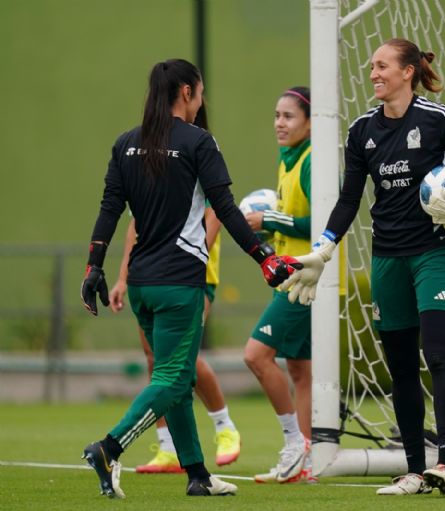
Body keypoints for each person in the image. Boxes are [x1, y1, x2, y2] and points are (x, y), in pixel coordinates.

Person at [280, 39, 445, 496]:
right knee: (400, 368)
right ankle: (415, 472)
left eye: (382, 66)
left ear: (407, 72)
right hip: (387, 258)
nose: (373, 73)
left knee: (438, 355)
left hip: (436, 254)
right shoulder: (362, 131)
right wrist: (323, 249)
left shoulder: (441, 120)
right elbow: (348, 200)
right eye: (372, 67)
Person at [78, 58, 300, 499]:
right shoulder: (199, 142)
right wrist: (264, 257)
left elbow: (109, 210)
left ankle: (198, 474)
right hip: (180, 284)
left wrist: (94, 268)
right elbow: (227, 208)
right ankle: (109, 447)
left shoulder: (125, 143)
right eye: (200, 92)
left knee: (174, 380)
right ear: (186, 93)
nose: (202, 101)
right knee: (175, 379)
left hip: (141, 284)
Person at [109, 207, 241, 473]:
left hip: (192, 277)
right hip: (152, 276)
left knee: (182, 360)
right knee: (155, 358)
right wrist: (123, 277)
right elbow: (136, 224)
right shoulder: (146, 169)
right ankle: (168, 447)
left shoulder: (194, 169)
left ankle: (225, 428)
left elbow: (215, 213)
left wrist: (186, 266)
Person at [242, 86, 314, 484]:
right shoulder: (289, 161)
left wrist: (269, 220)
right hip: (288, 276)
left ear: (309, 121)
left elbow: (321, 222)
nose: (279, 124)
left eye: (288, 116)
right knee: (299, 371)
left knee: (255, 356)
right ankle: (304, 464)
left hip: (305, 279)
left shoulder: (312, 161)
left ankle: (294, 446)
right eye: (276, 115)